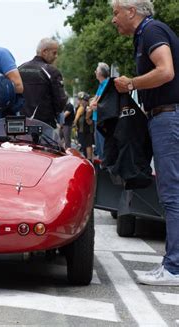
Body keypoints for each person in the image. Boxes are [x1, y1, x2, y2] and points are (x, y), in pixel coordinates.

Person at [111, 0, 179, 286]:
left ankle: (174, 268)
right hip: (166, 116)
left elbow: (166, 71)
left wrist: (132, 84)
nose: (113, 20)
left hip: (168, 117)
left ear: (131, 11)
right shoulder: (148, 34)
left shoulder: (151, 32)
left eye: (115, 13)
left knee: (172, 194)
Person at [18, 38, 68, 128]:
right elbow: (60, 101)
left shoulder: (19, 69)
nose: (56, 56)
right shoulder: (51, 71)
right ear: (44, 52)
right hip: (44, 124)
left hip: (20, 124)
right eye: (54, 53)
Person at [89, 62, 110, 160]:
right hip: (96, 117)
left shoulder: (106, 84)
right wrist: (94, 103)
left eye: (96, 70)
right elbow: (94, 101)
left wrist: (94, 103)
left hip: (102, 118)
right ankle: (102, 162)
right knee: (98, 142)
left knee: (102, 143)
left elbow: (97, 102)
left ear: (101, 73)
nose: (95, 72)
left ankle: (105, 165)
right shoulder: (101, 84)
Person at [73, 92, 94, 161]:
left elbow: (90, 121)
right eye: (79, 100)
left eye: (81, 100)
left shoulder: (88, 108)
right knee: (84, 145)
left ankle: (89, 160)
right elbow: (76, 119)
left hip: (87, 129)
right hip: (81, 129)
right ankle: (87, 159)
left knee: (88, 144)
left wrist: (87, 118)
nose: (80, 101)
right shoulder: (79, 107)